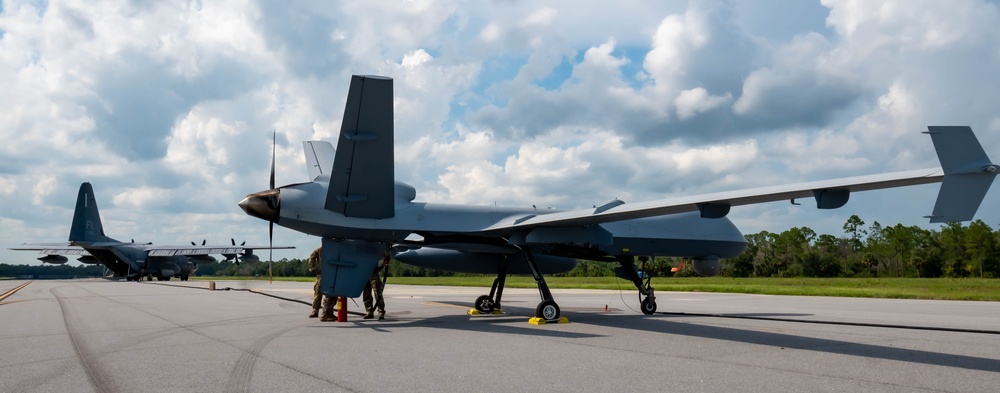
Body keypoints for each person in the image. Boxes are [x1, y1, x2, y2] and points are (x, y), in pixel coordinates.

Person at [307, 247, 335, 321]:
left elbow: (312, 256)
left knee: (328, 294)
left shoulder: (331, 247)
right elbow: (312, 256)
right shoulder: (321, 249)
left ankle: (328, 311)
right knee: (319, 293)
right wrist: (312, 267)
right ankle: (317, 310)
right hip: (322, 274)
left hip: (328, 274)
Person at [362, 252, 389, 320]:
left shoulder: (375, 251)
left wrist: (384, 262)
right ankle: (369, 312)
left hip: (374, 274)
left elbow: (383, 257)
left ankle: (381, 312)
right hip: (365, 274)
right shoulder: (362, 252)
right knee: (366, 294)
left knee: (378, 294)